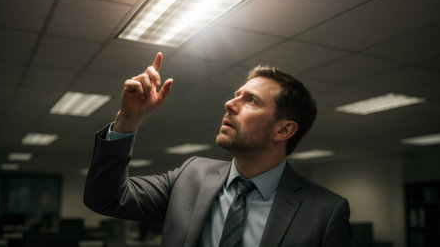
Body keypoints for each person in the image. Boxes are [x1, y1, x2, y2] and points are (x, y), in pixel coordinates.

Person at [84, 52, 352, 247]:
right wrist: (128, 121)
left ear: (283, 130)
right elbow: (105, 198)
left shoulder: (325, 212)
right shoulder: (190, 176)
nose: (229, 104)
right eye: (236, 95)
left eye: (251, 101)